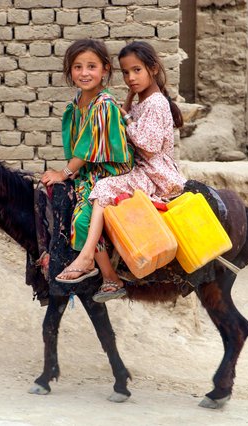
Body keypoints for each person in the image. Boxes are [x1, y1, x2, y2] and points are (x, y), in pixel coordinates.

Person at [57, 40, 188, 303]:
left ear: (152, 68)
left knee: (102, 188)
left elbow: (149, 144)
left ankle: (87, 258)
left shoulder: (156, 103)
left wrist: (125, 117)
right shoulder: (143, 100)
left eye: (137, 71)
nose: (130, 78)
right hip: (143, 169)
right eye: (126, 72)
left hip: (155, 173)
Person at [40, 39, 134, 287]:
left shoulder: (103, 105)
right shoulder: (75, 103)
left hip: (110, 172)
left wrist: (65, 172)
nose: (84, 73)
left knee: (83, 218)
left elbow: (87, 147)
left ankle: (108, 275)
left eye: (91, 66)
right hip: (89, 171)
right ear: (70, 71)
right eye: (77, 67)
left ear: (105, 69)